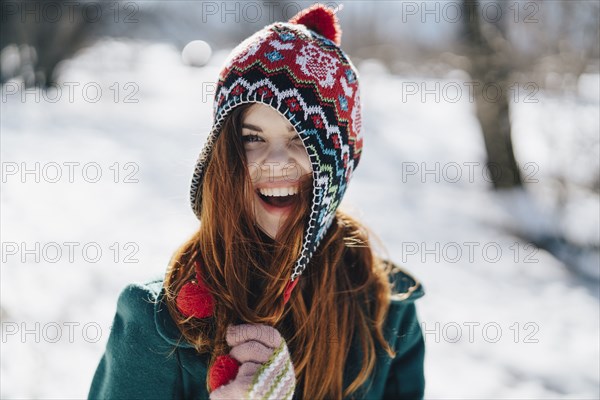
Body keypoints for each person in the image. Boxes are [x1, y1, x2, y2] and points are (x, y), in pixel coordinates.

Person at [88, 4, 426, 399]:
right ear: (226, 151)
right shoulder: (158, 322)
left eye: (302, 138)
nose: (275, 163)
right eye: (253, 138)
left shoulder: (386, 312)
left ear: (338, 165)